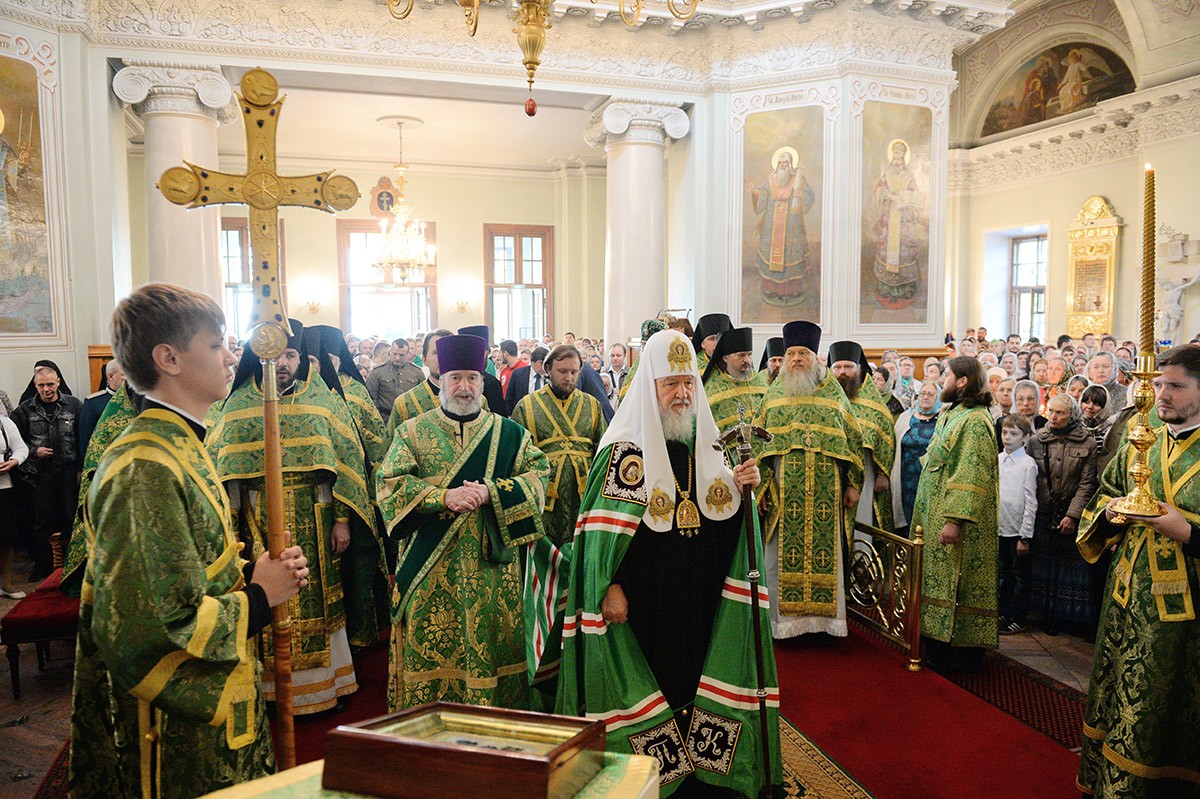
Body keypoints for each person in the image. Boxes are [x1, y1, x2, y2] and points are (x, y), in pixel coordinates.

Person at [69, 283, 309, 799]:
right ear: (169, 358)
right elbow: (149, 629)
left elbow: (186, 571)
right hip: (173, 732)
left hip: (217, 705)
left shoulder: (179, 443)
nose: (232, 357)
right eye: (217, 344)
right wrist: (261, 597)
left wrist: (255, 575)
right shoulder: (143, 468)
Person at [556, 328, 781, 798]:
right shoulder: (624, 451)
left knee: (697, 676)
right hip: (645, 601)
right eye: (670, 383)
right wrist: (610, 586)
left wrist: (743, 488)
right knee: (656, 677)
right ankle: (653, 779)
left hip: (701, 596)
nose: (681, 394)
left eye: (688, 383)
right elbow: (599, 537)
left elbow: (729, 530)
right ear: (650, 385)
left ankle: (705, 773)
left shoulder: (711, 445)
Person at [375, 334, 550, 711]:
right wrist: (441, 497)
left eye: (472, 377)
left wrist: (492, 491)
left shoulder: (510, 434)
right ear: (441, 380)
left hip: (492, 573)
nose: (464, 387)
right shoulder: (412, 432)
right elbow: (388, 485)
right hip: (430, 571)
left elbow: (539, 478)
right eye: (455, 378)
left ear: (483, 381)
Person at [209, 319, 374, 714]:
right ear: (258, 357)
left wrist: (342, 521)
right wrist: (233, 527)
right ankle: (271, 691)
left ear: (301, 359)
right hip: (257, 518)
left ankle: (323, 688)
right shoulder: (237, 405)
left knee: (318, 597)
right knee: (266, 595)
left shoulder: (322, 400)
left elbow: (345, 465)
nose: (282, 363)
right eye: (275, 356)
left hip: (315, 517)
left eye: (291, 355)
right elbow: (225, 476)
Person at [1075, 344, 1200, 798]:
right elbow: (1105, 494)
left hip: (1185, 615)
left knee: (1164, 707)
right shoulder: (1140, 435)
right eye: (1159, 384)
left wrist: (1186, 531)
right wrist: (1110, 515)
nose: (1161, 394)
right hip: (1126, 596)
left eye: (1176, 386)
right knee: (1116, 694)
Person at [756, 321, 863, 638]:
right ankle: (784, 625)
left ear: (815, 357)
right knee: (779, 557)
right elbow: (760, 446)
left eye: (803, 353)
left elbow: (853, 438)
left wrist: (853, 483)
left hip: (826, 494)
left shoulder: (833, 393)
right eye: (791, 353)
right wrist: (761, 488)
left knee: (827, 556)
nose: (796, 359)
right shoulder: (774, 395)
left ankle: (825, 625)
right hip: (783, 493)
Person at [306, 324, 391, 648]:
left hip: (357, 491)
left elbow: (376, 442)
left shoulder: (354, 392)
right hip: (318, 494)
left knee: (357, 564)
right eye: (318, 359)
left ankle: (360, 632)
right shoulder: (304, 395)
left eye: (331, 358)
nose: (326, 365)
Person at [913, 356, 999, 673]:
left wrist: (954, 520)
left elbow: (971, 474)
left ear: (962, 381)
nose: (941, 381)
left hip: (957, 521)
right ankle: (937, 645)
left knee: (957, 582)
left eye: (946, 375)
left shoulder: (974, 421)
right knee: (938, 580)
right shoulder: (954, 413)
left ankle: (960, 656)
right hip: (936, 513)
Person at [510, 344, 606, 549]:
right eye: (562, 371)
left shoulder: (592, 405)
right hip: (546, 499)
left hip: (584, 496)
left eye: (574, 372)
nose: (569, 378)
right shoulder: (527, 406)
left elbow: (603, 452)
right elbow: (517, 458)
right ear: (547, 369)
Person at [1027, 393, 1098, 636]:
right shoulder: (1037, 440)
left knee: (1068, 571)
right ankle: (1045, 615)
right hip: (1044, 511)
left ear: (1072, 415)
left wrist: (1073, 515)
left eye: (1060, 413)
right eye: (1051, 412)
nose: (1054, 417)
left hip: (1069, 511)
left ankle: (1067, 617)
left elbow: (1087, 483)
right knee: (1043, 568)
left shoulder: (1087, 442)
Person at [12, 363, 83, 580]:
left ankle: (73, 565)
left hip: (69, 472)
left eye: (50, 384)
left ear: (58, 382)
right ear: (35, 385)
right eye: (41, 385)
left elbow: (82, 438)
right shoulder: (25, 410)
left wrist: (81, 469)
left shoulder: (74, 405)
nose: (46, 389)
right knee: (43, 522)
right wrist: (35, 451)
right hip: (39, 475)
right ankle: (43, 566)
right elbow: (15, 442)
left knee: (70, 517)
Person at [829, 340, 895, 532]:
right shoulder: (824, 398)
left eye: (848, 367)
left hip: (864, 473)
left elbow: (885, 437)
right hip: (830, 470)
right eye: (838, 367)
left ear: (859, 369)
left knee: (861, 521)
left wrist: (883, 473)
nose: (843, 372)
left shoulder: (872, 401)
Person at [745, 146, 815, 307]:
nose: (782, 165)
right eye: (780, 162)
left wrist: (799, 196)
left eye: (785, 162)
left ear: (791, 164)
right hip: (772, 225)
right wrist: (754, 191)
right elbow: (763, 196)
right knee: (771, 255)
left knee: (792, 254)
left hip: (792, 225)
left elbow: (809, 195)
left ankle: (792, 290)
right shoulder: (772, 180)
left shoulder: (798, 179)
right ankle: (771, 289)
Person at [997, 415, 1037, 635]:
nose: (1007, 437)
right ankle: (1003, 613)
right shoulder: (998, 460)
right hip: (1000, 527)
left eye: (1014, 434)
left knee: (1020, 575)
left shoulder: (1027, 464)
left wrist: (1025, 535)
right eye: (1005, 432)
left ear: (1025, 437)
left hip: (1017, 530)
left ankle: (1018, 618)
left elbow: (1031, 501)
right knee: (1004, 574)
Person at [871, 139, 922, 309]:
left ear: (904, 159)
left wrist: (906, 201)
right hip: (889, 220)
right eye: (895, 158)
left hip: (903, 221)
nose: (897, 161)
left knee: (904, 254)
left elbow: (916, 196)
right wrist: (889, 195)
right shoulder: (887, 174)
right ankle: (886, 289)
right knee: (887, 253)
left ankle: (905, 289)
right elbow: (877, 190)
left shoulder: (909, 177)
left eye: (900, 158)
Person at [891, 380, 940, 536]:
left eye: (930, 394)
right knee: (906, 521)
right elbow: (894, 446)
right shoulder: (906, 417)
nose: (925, 397)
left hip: (930, 480)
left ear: (938, 397)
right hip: (905, 479)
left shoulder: (943, 420)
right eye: (922, 394)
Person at [387, 328, 454, 435]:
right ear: (424, 360)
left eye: (449, 352)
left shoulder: (473, 400)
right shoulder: (404, 404)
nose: (444, 357)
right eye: (436, 352)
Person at [703, 326, 768, 435]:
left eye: (749, 355)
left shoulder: (759, 381)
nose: (747, 360)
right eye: (741, 355)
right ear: (725, 358)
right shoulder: (713, 388)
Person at [0, 412, 29, 598]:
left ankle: (6, 583)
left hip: (4, 487)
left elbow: (20, 447)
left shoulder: (3, 422)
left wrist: (14, 461)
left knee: (6, 537)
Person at [366, 337, 425, 419]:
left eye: (401, 355)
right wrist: (379, 419)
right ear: (390, 352)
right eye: (394, 354)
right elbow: (371, 399)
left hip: (410, 419)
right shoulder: (377, 372)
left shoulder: (417, 372)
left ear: (408, 354)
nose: (397, 358)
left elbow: (423, 398)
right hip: (385, 418)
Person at [77, 359, 125, 457]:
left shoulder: (140, 400)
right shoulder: (93, 403)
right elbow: (86, 439)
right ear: (111, 376)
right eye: (124, 374)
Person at [506, 345, 549, 413]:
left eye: (546, 364)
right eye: (541, 363)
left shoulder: (550, 376)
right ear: (532, 361)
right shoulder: (518, 374)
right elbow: (509, 397)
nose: (544, 367)